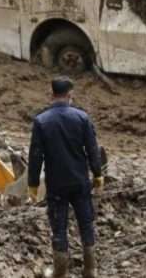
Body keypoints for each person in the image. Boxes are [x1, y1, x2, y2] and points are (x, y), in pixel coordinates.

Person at [28, 77, 103, 278]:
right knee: (86, 222)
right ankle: (90, 269)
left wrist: (33, 183)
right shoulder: (82, 118)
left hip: (56, 184)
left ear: (51, 95)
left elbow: (35, 156)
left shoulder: (41, 121)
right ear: (70, 95)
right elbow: (92, 150)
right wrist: (98, 174)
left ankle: (60, 272)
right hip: (80, 181)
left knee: (58, 226)